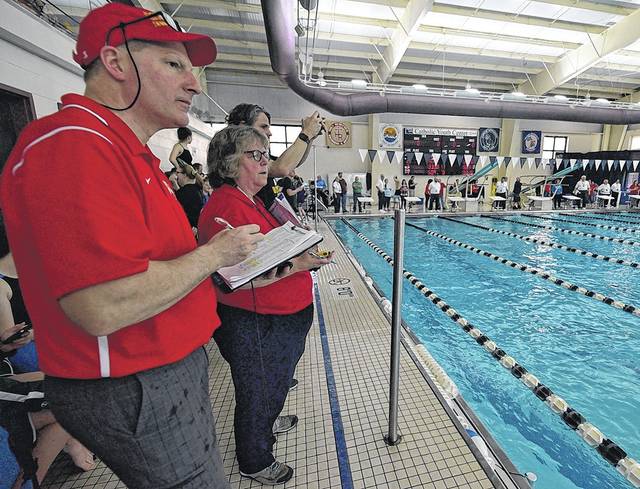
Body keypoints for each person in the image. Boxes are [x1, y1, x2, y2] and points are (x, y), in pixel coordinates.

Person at [0, 5, 264, 488]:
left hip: (152, 373)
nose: (195, 84)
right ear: (116, 63)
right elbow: (102, 305)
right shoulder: (74, 144)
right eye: (174, 64)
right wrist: (213, 255)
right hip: (136, 381)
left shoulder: (120, 148)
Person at [198, 126, 333, 485]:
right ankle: (255, 459)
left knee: (271, 385)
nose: (265, 161)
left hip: (279, 317)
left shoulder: (251, 199)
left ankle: (269, 420)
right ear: (229, 164)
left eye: (265, 153)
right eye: (254, 154)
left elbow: (271, 250)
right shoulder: (225, 208)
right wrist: (302, 264)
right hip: (256, 321)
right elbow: (239, 276)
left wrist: (302, 252)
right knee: (258, 391)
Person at [225, 104, 324, 210]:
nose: (270, 133)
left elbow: (292, 163)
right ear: (243, 127)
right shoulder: (237, 153)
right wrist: (307, 132)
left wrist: (311, 137)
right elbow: (281, 168)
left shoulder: (259, 154)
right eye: (263, 127)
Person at [175, 164, 205, 230]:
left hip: (187, 228)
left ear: (185, 175)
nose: (176, 175)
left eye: (177, 173)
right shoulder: (197, 189)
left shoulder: (184, 192)